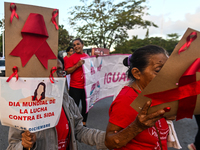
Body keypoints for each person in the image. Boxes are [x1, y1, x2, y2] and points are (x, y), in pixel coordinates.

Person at [6, 59, 107, 150]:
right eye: (51, 71)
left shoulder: (67, 100)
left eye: (60, 71)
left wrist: (106, 138)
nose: (56, 76)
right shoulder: (25, 105)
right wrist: (25, 145)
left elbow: (79, 131)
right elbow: (12, 146)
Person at [105, 45, 171, 150]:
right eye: (158, 71)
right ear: (136, 73)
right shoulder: (126, 100)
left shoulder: (153, 92)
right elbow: (110, 142)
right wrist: (137, 127)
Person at [65, 38, 88, 126]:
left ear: (82, 44)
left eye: (78, 44)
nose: (76, 46)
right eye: (74, 45)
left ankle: (84, 124)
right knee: (74, 108)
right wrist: (77, 65)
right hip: (75, 87)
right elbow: (67, 71)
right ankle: (74, 125)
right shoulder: (72, 58)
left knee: (86, 107)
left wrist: (96, 59)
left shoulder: (87, 57)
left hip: (86, 87)